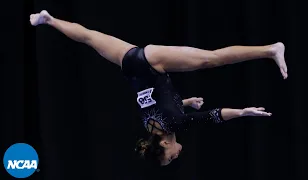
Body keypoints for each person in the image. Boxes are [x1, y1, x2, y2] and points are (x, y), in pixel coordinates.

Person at [30, 10, 287, 166]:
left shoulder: (176, 126)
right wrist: (185, 102)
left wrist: (243, 112)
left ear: (164, 144)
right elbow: (156, 101)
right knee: (87, 36)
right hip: (130, 63)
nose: (177, 154)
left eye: (171, 156)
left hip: (151, 63)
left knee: (213, 58)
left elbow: (213, 116)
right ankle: (48, 19)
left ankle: (270, 49)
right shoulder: (151, 127)